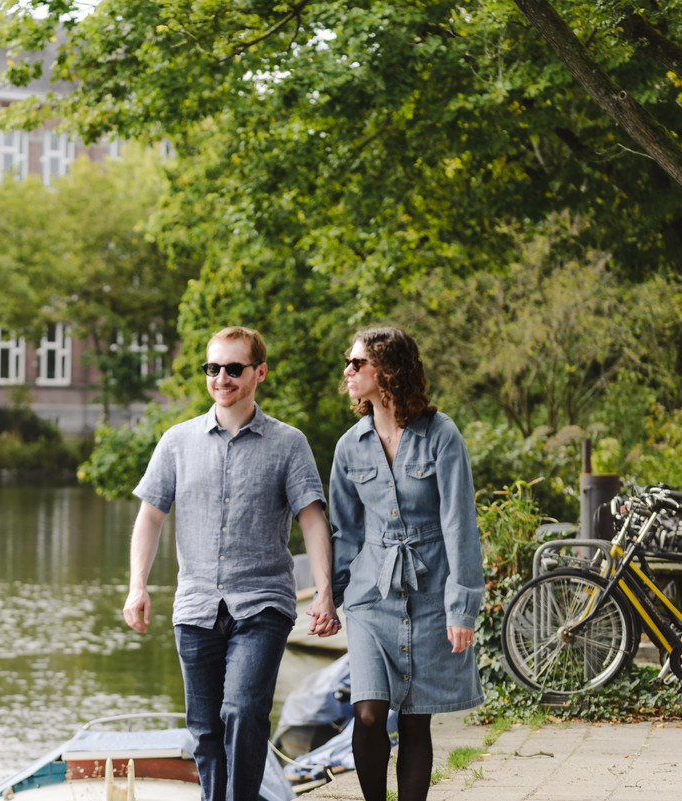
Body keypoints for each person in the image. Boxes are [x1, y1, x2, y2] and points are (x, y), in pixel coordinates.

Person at [123, 325, 340, 801]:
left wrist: (324, 591)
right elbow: (150, 518)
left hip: (263, 604)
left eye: (233, 368)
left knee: (242, 711)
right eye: (213, 368)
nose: (221, 377)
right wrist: (138, 585)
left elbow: (312, 520)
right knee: (203, 730)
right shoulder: (177, 442)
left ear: (259, 372)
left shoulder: (289, 444)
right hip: (196, 606)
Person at [329, 326, 483, 801]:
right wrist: (328, 596)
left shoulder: (442, 435)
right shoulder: (349, 447)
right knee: (369, 712)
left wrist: (462, 609)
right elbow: (345, 532)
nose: (348, 372)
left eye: (359, 364)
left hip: (431, 592)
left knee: (417, 719)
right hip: (370, 598)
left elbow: (460, 524)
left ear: (388, 370)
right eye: (349, 363)